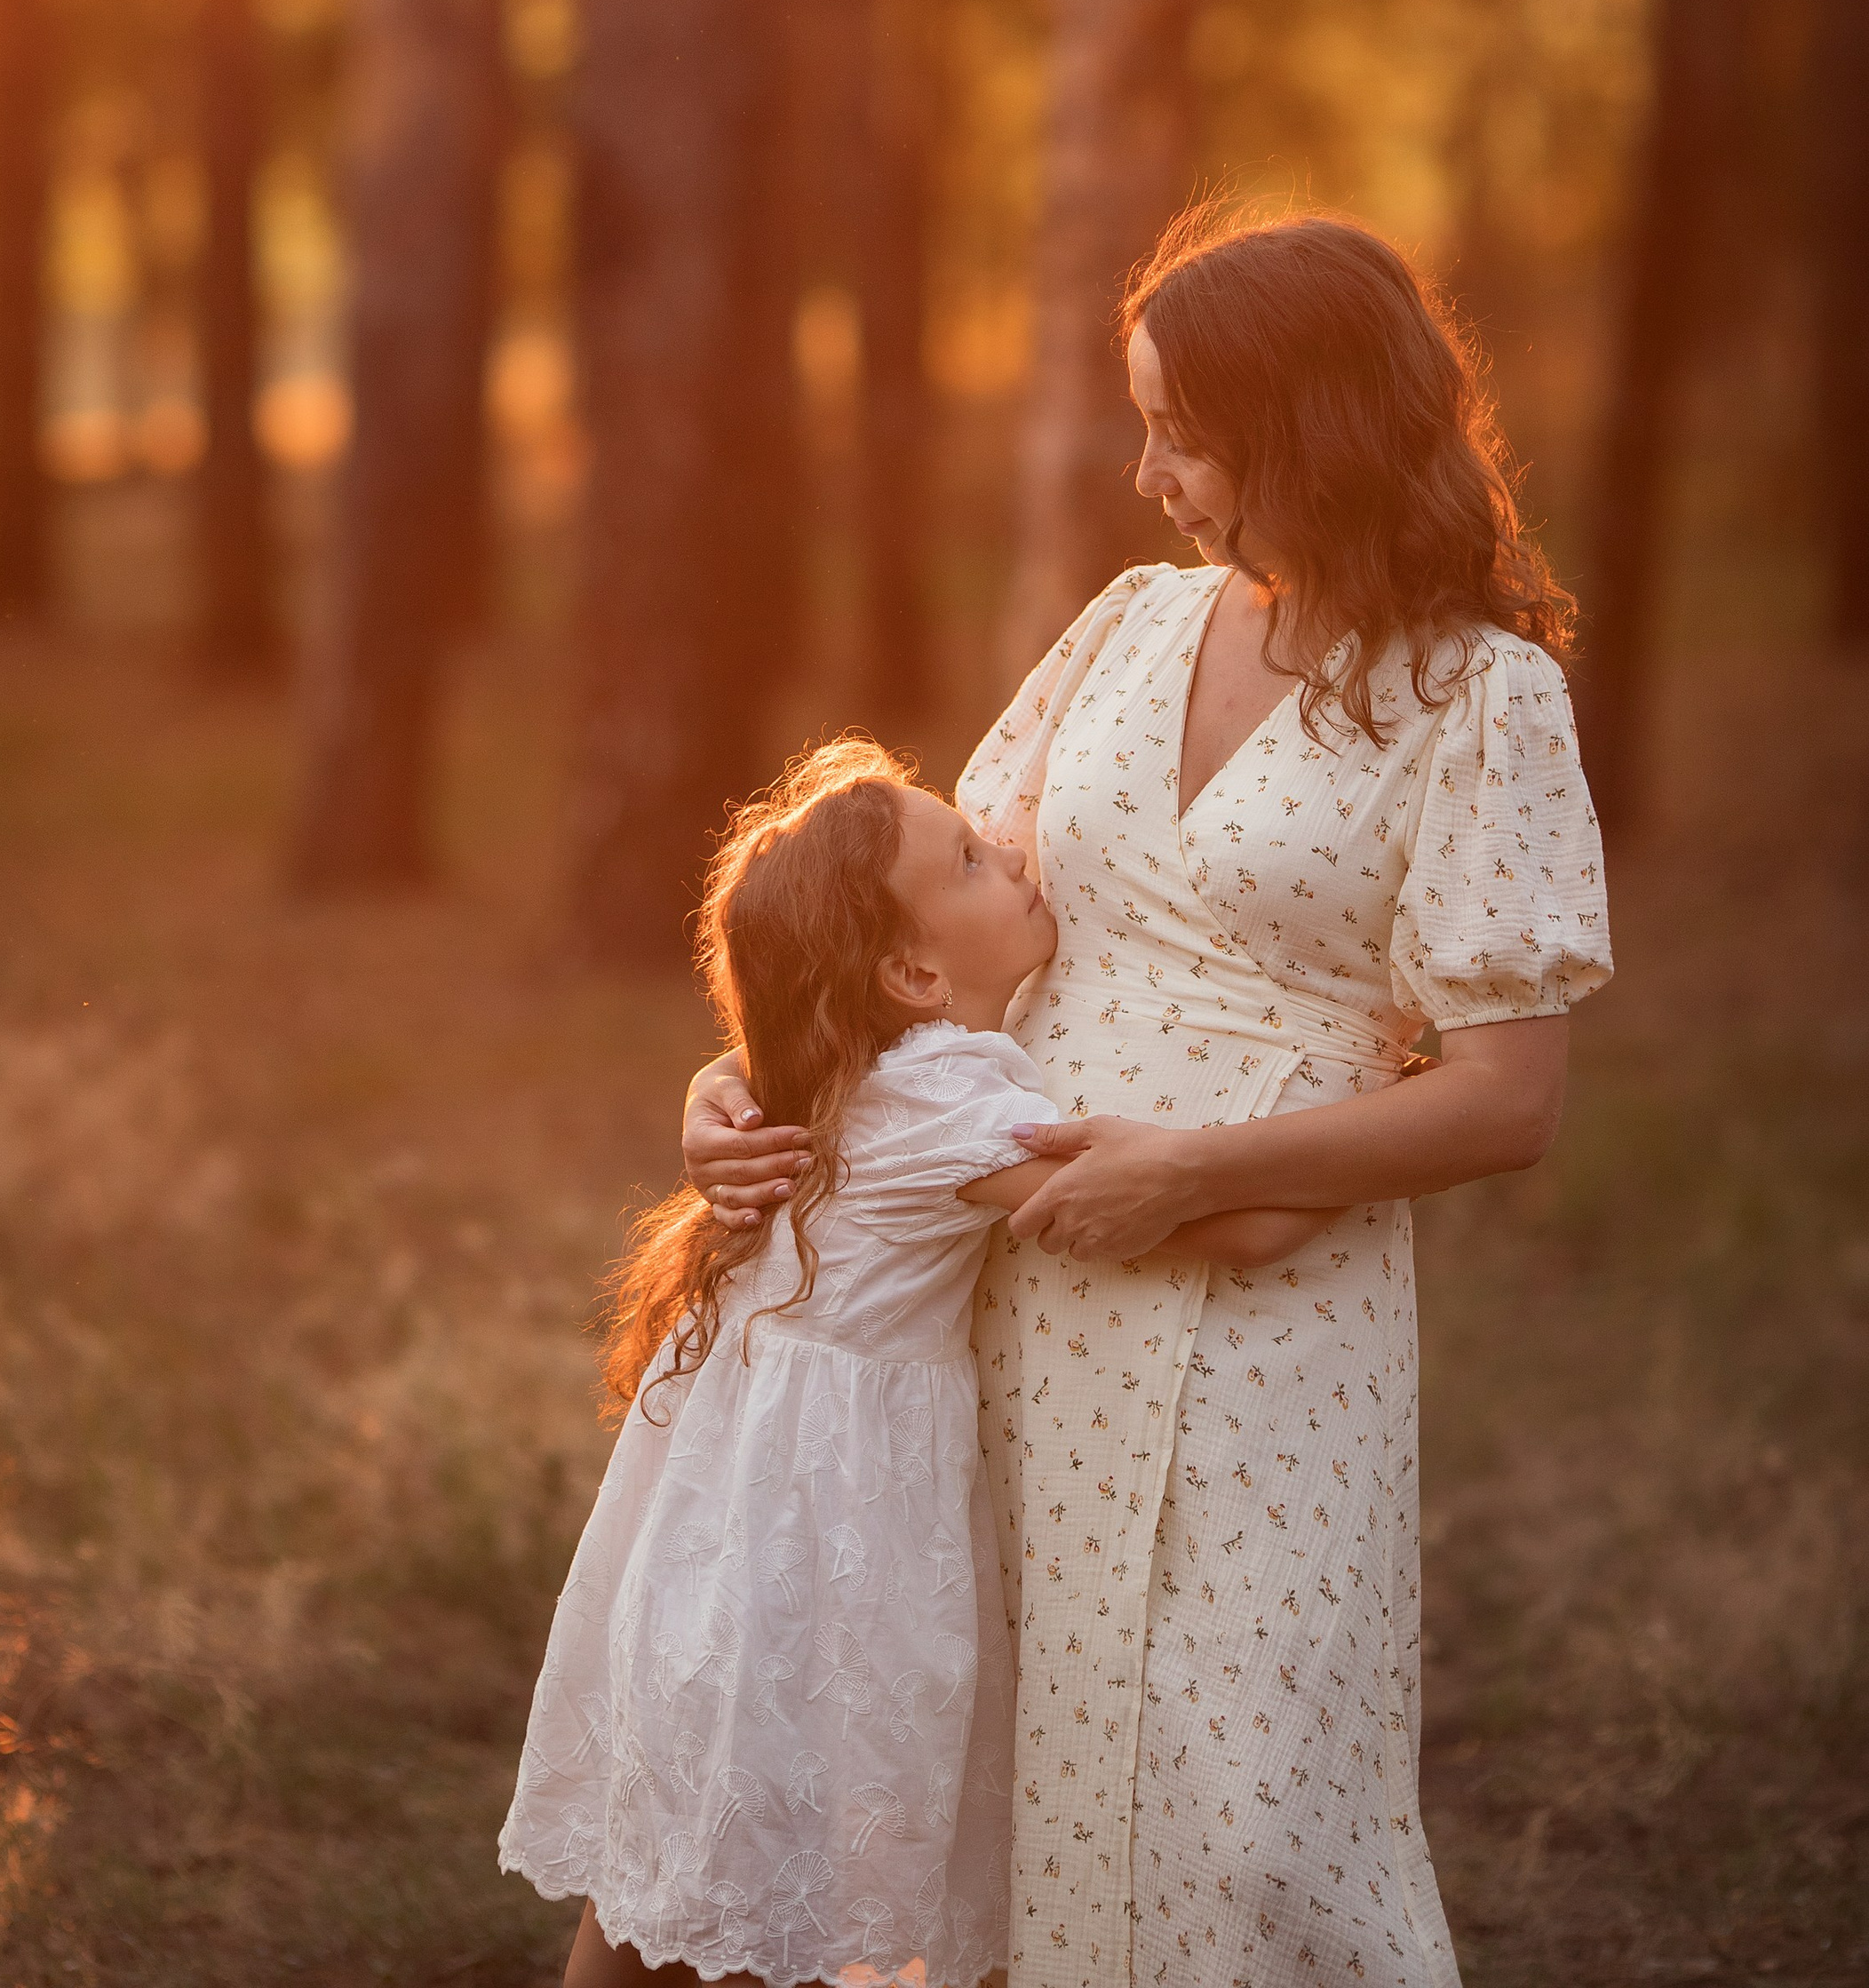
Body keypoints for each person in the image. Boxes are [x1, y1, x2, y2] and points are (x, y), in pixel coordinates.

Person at [687, 211, 1611, 1988]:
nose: (1147, 474)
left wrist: (1188, 1173)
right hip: (1012, 1296)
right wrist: (726, 1090)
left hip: (1267, 1323)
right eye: (1140, 423)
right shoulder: (1127, 628)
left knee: (1243, 1801)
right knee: (1011, 1762)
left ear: (1313, 428)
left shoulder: (1474, 699)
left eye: (1183, 433)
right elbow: (908, 925)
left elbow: (1506, 1100)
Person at [500, 734, 1323, 1988]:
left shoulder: (838, 1070)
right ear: (918, 972)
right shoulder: (948, 1103)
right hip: (828, 1537)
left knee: (670, 1874)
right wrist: (1375, 1089)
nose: (1015, 852)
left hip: (724, 1528)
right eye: (976, 860)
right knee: (781, 1884)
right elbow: (1244, 1227)